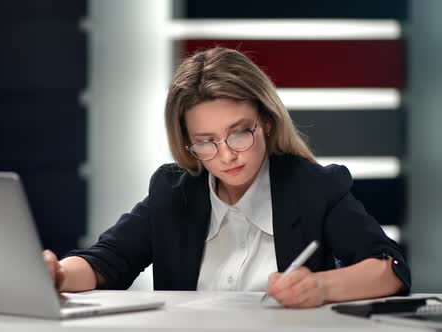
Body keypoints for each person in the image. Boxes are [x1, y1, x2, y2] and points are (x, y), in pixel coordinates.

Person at [43, 47, 410, 308]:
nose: (227, 154)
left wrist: (321, 286)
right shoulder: (174, 191)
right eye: (206, 142)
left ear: (265, 121)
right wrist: (57, 274)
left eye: (239, 132)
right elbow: (107, 261)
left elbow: (391, 270)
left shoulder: (314, 187)